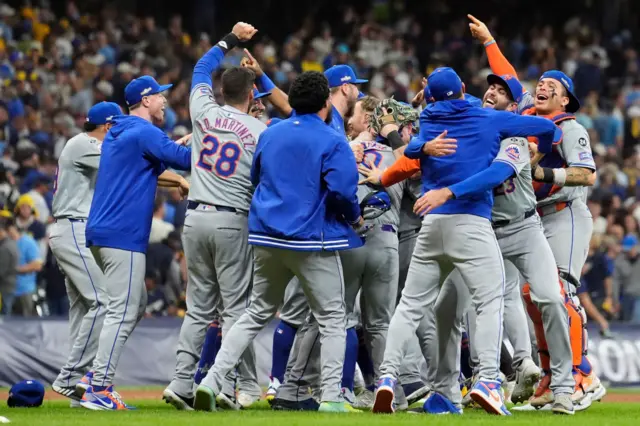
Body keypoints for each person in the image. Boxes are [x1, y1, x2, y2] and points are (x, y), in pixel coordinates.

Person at [371, 67, 557, 416]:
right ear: (463, 88)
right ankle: (488, 379)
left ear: (429, 96)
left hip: (432, 226)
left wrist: (420, 146)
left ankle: (386, 377)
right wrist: (541, 153)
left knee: (410, 307)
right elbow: (548, 127)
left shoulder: (428, 120)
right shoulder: (488, 119)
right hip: (470, 221)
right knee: (490, 301)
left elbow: (411, 148)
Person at [194, 70, 364, 413]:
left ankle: (212, 381)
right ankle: (331, 396)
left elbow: (258, 178)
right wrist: (355, 218)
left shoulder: (270, 134)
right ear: (325, 104)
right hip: (310, 238)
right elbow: (344, 193)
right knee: (332, 317)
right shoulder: (333, 140)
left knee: (255, 313)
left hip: (266, 236)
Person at [467, 15, 604, 410]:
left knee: (559, 292)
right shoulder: (527, 117)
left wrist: (541, 170)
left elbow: (586, 175)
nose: (542, 87)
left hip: (566, 213)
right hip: (534, 215)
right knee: (530, 296)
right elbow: (508, 78)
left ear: (565, 100)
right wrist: (490, 41)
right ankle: (549, 374)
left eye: (553, 86)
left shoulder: (570, 126)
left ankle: (581, 374)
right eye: (540, 83)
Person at [163, 22, 265, 412]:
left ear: (223, 91)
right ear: (252, 93)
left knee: (199, 308)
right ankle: (226, 386)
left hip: (194, 217)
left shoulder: (203, 110)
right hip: (231, 219)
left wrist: (230, 39)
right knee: (237, 308)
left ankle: (180, 381)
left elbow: (200, 70)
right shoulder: (258, 129)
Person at [79, 75, 191, 411]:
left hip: (105, 233)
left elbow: (154, 169)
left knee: (134, 303)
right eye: (159, 96)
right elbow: (186, 161)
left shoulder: (122, 131)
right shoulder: (143, 132)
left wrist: (178, 146)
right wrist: (209, 139)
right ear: (145, 100)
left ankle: (91, 378)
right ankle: (99, 386)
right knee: (123, 309)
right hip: (122, 234)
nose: (164, 101)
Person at [49, 101, 121, 403]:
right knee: (102, 301)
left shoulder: (84, 144)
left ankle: (77, 383)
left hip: (74, 228)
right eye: (116, 126)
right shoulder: (85, 143)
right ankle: (69, 377)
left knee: (83, 308)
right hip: (74, 227)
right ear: (107, 125)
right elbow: (123, 165)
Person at [0, 215, 18, 315]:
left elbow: (1, 270)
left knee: (5, 314)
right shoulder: (12, 243)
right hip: (11, 283)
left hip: (5, 285)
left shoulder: (5, 247)